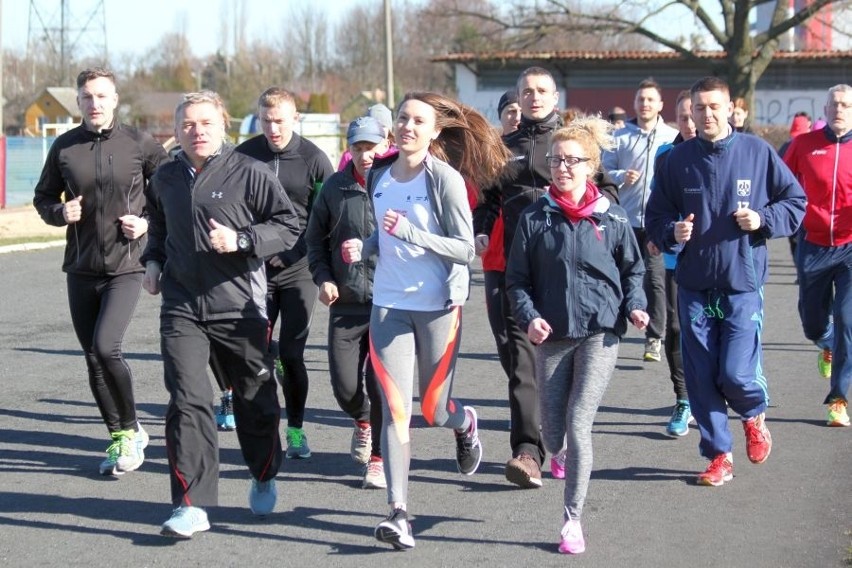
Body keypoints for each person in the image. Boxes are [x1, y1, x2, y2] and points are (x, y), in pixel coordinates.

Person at [340, 91, 509, 550]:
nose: (408, 127)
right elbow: (381, 230)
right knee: (395, 414)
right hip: (389, 306)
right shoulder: (379, 174)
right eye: (402, 119)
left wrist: (411, 232)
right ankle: (398, 513)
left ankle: (464, 423)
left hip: (438, 306)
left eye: (418, 121)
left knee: (433, 411)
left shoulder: (445, 180)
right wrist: (367, 247)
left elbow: (464, 248)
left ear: (435, 132)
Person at [142, 90, 300, 537]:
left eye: (206, 123)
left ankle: (264, 469)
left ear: (223, 125)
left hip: (240, 305)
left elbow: (287, 225)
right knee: (187, 399)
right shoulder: (167, 176)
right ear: (175, 131)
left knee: (255, 399)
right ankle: (192, 504)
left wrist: (243, 240)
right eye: (188, 124)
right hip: (182, 304)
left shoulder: (249, 172)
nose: (197, 131)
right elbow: (158, 225)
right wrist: (153, 262)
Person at [646, 76, 805, 487]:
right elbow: (656, 215)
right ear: (691, 113)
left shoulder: (756, 151)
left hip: (741, 282)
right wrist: (673, 232)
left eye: (714, 106)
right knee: (700, 377)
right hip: (695, 283)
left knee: (734, 374)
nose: (707, 114)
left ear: (731, 107)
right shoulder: (677, 161)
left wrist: (763, 220)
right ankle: (719, 455)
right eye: (699, 108)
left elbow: (795, 201)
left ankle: (753, 415)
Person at [506, 115, 649, 555]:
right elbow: (516, 281)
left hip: (600, 333)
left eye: (572, 160)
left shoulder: (613, 217)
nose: (562, 167)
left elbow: (633, 270)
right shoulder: (535, 218)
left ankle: (572, 521)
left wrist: (636, 305)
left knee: (578, 420)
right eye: (556, 159)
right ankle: (560, 453)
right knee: (552, 434)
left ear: (591, 166)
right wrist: (529, 316)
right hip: (552, 335)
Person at [475, 68, 620, 489]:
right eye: (527, 92)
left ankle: (555, 441)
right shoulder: (502, 149)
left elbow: (608, 195)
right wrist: (482, 229)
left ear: (555, 96)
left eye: (541, 91)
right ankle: (527, 451)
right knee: (519, 363)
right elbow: (487, 201)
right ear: (517, 98)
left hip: (565, 269)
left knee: (558, 366)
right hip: (514, 270)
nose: (534, 97)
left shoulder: (576, 143)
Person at [33, 67, 169, 476]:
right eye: (87, 97)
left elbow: (170, 193)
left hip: (127, 264)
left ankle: (128, 430)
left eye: (102, 96)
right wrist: (60, 212)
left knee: (107, 346)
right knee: (92, 357)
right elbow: (43, 199)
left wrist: (146, 222)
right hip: (81, 266)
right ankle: (123, 435)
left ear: (115, 99)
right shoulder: (64, 147)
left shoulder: (139, 143)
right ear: (78, 102)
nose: (95, 104)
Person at [235, 87, 334, 459]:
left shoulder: (315, 160)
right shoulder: (244, 156)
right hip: (254, 269)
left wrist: (297, 253)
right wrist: (256, 246)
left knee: (292, 355)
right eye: (266, 120)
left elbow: (327, 217)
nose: (273, 128)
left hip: (297, 270)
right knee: (253, 352)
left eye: (280, 121)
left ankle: (295, 430)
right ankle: (262, 429)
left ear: (295, 119)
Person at [305, 115, 389, 490]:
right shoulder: (335, 188)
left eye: (371, 146)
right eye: (358, 146)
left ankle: (378, 460)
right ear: (349, 148)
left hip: (390, 303)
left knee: (379, 384)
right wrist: (323, 278)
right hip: (346, 302)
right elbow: (315, 241)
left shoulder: (398, 182)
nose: (365, 154)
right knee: (345, 388)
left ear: (385, 143)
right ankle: (363, 422)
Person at [783, 84, 852, 427]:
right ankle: (824, 342)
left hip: (850, 246)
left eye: (846, 105)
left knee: (848, 319)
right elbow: (779, 182)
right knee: (813, 323)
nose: (839, 109)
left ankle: (838, 399)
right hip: (813, 244)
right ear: (824, 109)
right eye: (834, 104)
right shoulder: (804, 145)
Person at [603, 78, 678, 364]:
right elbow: (602, 171)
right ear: (635, 103)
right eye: (640, 99)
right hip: (625, 219)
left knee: (655, 280)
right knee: (619, 276)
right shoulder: (620, 137)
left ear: (660, 105)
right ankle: (614, 329)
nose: (645, 104)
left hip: (657, 222)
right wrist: (622, 176)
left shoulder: (670, 137)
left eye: (650, 99)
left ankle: (654, 337)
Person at [648, 90, 696, 437]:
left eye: (696, 114)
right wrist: (658, 232)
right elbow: (657, 204)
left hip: (716, 259)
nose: (692, 123)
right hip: (674, 256)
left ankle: (716, 389)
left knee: (713, 329)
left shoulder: (732, 150)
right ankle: (683, 398)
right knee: (676, 328)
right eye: (684, 117)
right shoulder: (666, 154)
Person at [478, 89, 521, 384]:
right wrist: (479, 230)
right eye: (510, 111)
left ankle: (531, 399)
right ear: (501, 116)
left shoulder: (539, 150)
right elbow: (480, 200)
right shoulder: (490, 154)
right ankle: (520, 389)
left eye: (520, 110)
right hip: (495, 258)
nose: (516, 117)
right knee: (502, 334)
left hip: (529, 257)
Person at [337, 103, 395, 171]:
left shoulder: (397, 157)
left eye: (382, 126)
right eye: (358, 149)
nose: (364, 157)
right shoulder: (348, 156)